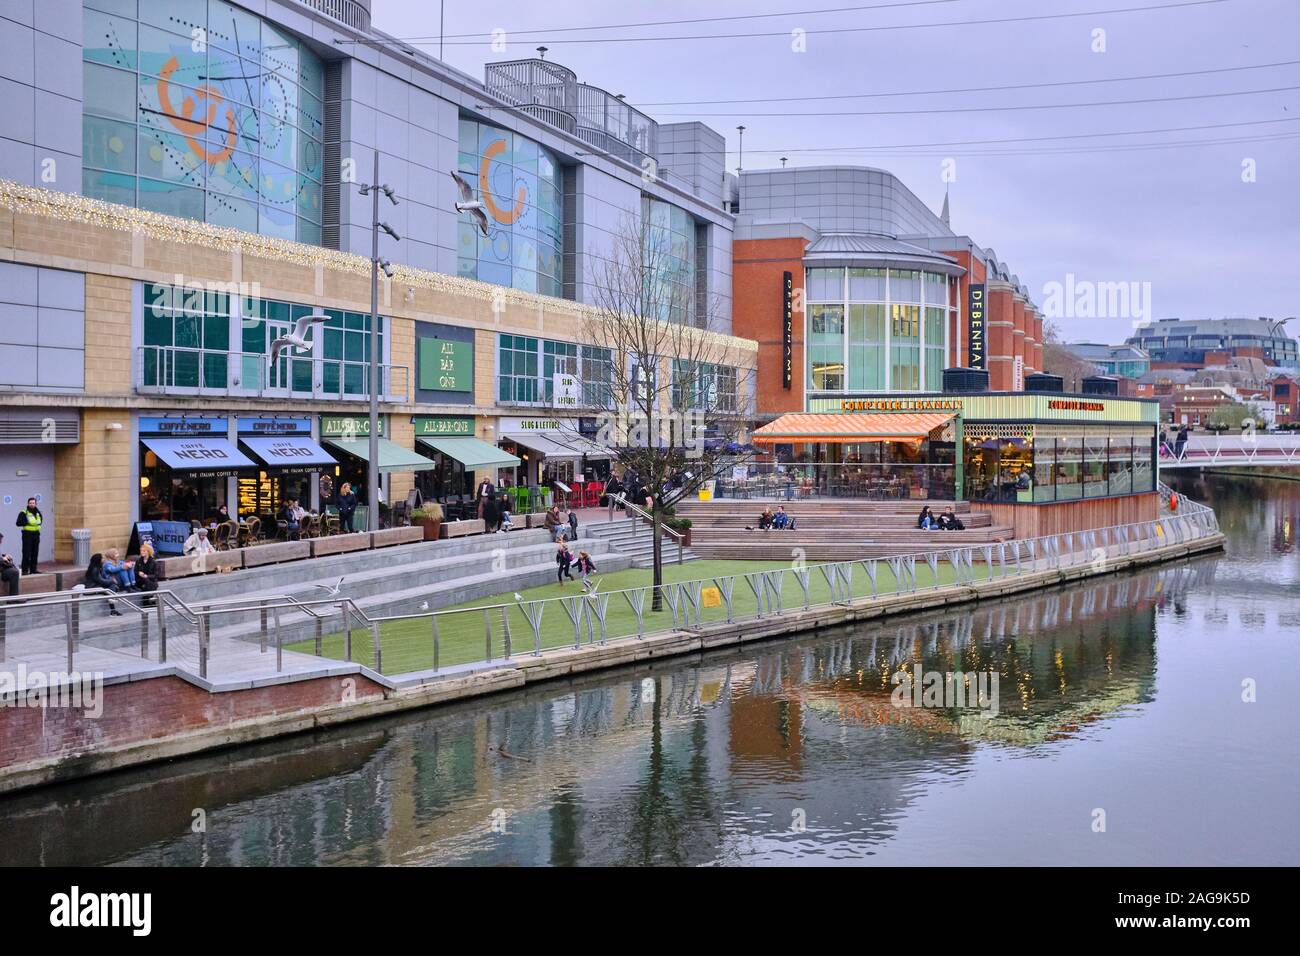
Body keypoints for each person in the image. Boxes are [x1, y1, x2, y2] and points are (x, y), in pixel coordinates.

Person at [15, 496, 42, 576]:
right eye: (30, 503)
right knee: (26, 553)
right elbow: (18, 523)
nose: (32, 504)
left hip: (36, 534)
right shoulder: (24, 512)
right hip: (27, 534)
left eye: (33, 503)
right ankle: (25, 570)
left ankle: (33, 569)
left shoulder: (38, 512)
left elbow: (40, 521)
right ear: (28, 503)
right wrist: (27, 522)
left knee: (35, 552)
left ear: (36, 504)